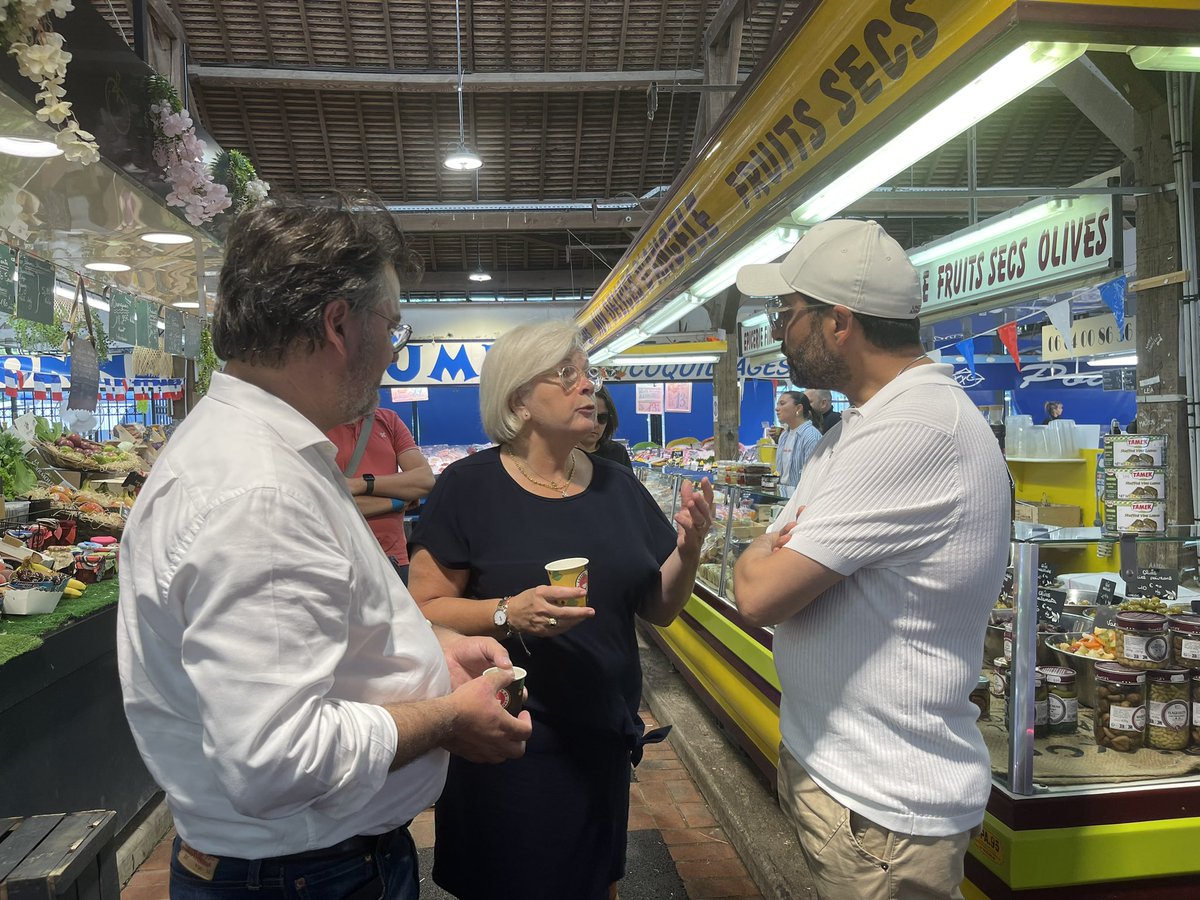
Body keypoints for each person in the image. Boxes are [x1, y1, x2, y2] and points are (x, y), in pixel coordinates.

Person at [116, 200, 531, 900]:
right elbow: (276, 759)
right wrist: (447, 719)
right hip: (304, 876)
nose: (394, 347)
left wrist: (432, 654)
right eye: (392, 324)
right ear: (339, 324)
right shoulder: (260, 490)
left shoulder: (258, 449)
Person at [732, 219, 1010, 899]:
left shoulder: (913, 430)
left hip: (882, 811)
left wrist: (765, 550)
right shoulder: (862, 425)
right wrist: (770, 550)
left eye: (788, 313)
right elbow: (775, 560)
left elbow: (760, 592)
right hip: (843, 780)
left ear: (839, 323)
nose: (779, 330)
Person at [406, 320, 714, 900]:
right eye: (566, 375)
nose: (587, 389)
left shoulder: (617, 488)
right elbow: (423, 607)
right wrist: (507, 612)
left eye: (587, 374)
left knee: (595, 882)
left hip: (598, 735)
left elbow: (659, 607)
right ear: (519, 399)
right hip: (507, 734)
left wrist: (689, 550)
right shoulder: (468, 488)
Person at [328, 407, 434, 583]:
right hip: (339, 560)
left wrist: (360, 484)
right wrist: (396, 502)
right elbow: (328, 501)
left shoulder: (388, 420)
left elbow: (425, 480)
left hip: (393, 560)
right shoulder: (317, 424)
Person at [774, 390, 821, 496]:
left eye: (782, 404)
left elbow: (813, 476)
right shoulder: (784, 435)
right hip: (783, 496)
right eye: (777, 404)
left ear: (798, 408)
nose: (777, 408)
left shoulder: (811, 436)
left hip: (802, 498)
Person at [579, 384, 632, 468]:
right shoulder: (561, 456)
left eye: (602, 417)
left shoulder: (618, 452)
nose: (595, 424)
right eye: (589, 416)